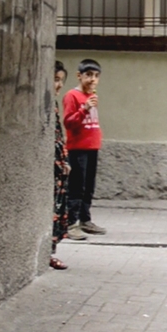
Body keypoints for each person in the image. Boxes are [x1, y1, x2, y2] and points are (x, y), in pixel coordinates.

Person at [63, 59, 106, 240]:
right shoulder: (72, 96)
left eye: (96, 76)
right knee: (77, 187)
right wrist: (84, 109)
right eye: (88, 75)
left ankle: (85, 219)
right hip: (78, 148)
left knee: (89, 186)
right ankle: (71, 223)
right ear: (79, 76)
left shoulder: (92, 97)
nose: (92, 80)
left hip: (91, 146)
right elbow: (68, 122)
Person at [50, 61, 70, 270]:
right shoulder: (46, 105)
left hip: (58, 165)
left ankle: (51, 250)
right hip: (51, 166)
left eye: (61, 81)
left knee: (58, 206)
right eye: (55, 80)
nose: (58, 85)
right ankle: (48, 252)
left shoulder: (54, 104)